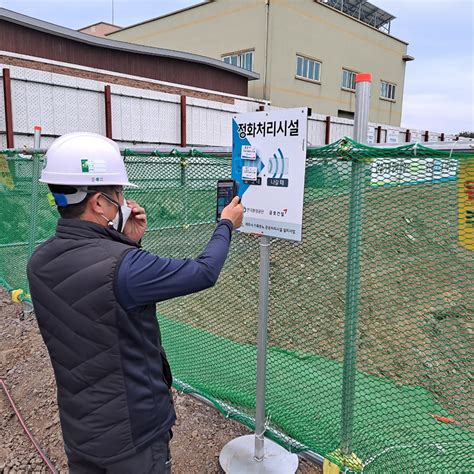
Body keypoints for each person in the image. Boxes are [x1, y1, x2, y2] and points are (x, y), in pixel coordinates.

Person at [27, 132, 243, 473]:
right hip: (133, 437)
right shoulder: (123, 268)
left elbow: (105, 301)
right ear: (98, 202)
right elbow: (204, 272)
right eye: (118, 194)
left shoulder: (39, 261)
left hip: (81, 429)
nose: (123, 202)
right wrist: (226, 225)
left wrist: (125, 243)